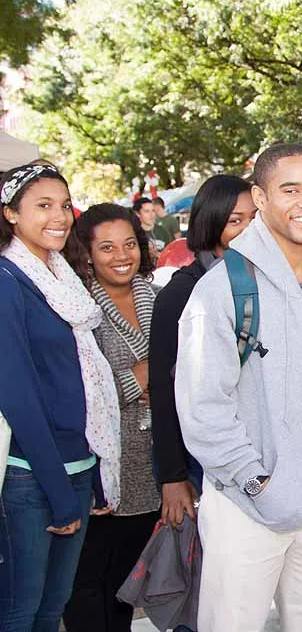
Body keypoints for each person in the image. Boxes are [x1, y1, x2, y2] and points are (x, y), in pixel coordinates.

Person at [174, 144, 302, 632]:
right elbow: (203, 408)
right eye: (290, 190)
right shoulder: (220, 290)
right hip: (246, 507)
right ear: (260, 198)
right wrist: (254, 481)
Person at [0, 164, 118, 632]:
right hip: (31, 475)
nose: (60, 216)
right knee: (19, 611)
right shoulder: (8, 280)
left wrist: (93, 474)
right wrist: (57, 489)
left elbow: (84, 383)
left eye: (65, 205)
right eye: (43, 206)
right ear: (11, 213)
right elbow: (17, 394)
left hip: (78, 464)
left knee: (53, 608)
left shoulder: (62, 276)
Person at [62, 204, 161, 632]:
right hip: (101, 473)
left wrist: (159, 377)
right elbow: (76, 391)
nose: (121, 256)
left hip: (152, 469)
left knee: (125, 589)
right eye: (107, 247)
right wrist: (141, 375)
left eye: (129, 244)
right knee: (86, 589)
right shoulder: (77, 309)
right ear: (86, 253)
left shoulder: (159, 299)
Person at [150, 175, 256, 531]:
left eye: (255, 217)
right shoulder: (180, 294)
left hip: (261, 454)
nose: (249, 229)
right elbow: (163, 390)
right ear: (211, 223)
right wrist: (172, 476)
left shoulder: (272, 282)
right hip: (202, 462)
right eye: (236, 220)